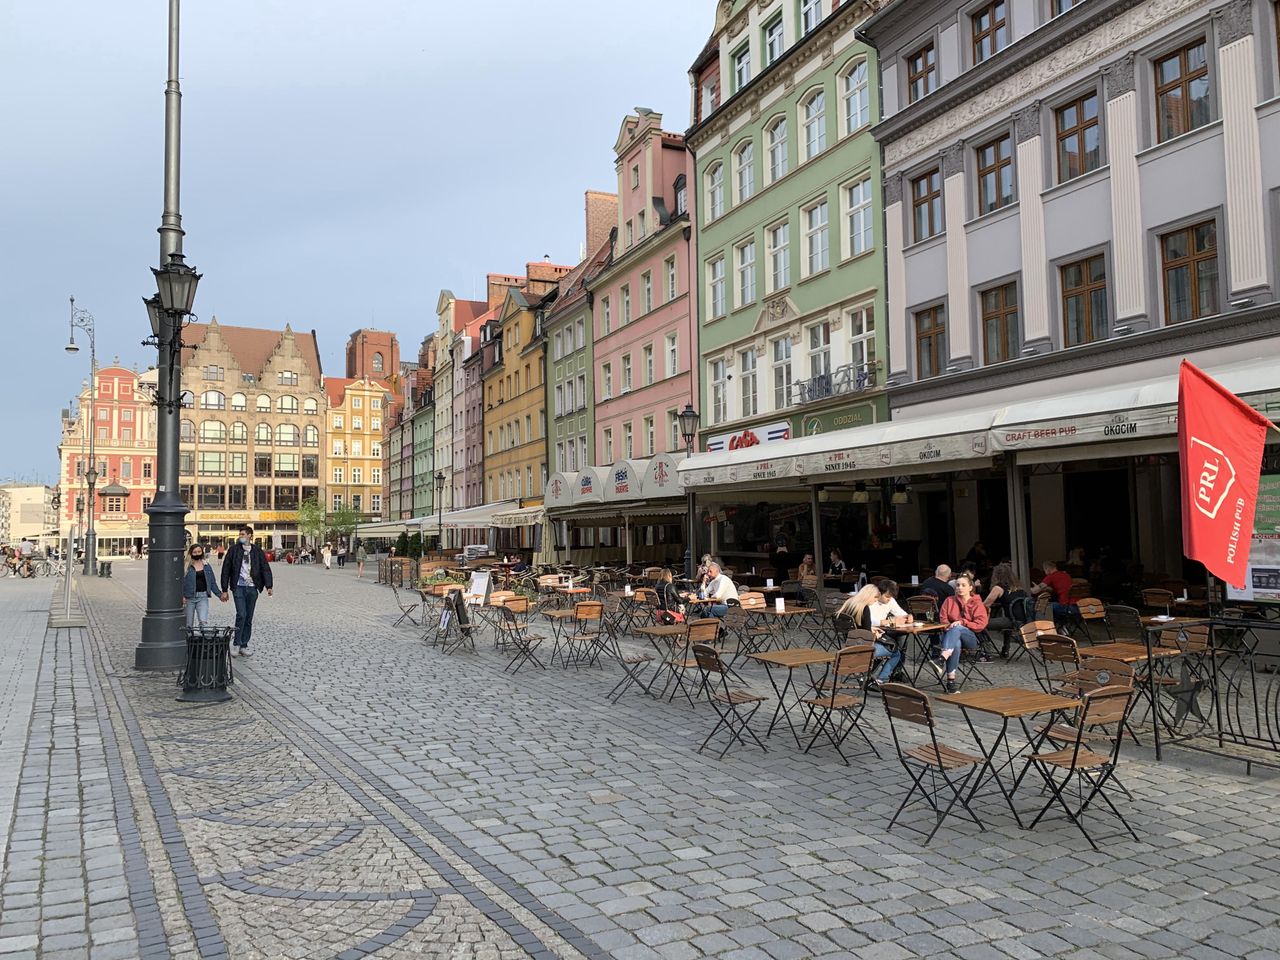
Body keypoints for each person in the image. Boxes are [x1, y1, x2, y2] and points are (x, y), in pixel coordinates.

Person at [837, 580, 908, 683]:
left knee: (888, 645)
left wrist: (871, 629)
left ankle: (865, 676)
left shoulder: (849, 604)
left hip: (848, 646)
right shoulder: (865, 608)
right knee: (896, 652)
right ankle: (881, 679)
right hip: (863, 648)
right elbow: (868, 637)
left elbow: (858, 626)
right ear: (869, 596)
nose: (876, 600)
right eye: (875, 597)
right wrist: (876, 634)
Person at [219, 525, 273, 657]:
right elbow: (226, 569)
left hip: (252, 587)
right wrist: (224, 589)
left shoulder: (257, 551)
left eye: (243, 534)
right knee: (241, 614)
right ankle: (236, 643)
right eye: (240, 534)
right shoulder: (233, 550)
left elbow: (265, 568)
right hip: (238, 586)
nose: (240, 536)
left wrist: (269, 586)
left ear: (249, 535)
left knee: (248, 617)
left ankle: (244, 644)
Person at [937, 574, 989, 692]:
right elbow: (943, 620)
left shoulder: (977, 603)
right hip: (951, 638)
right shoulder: (949, 600)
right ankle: (951, 682)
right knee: (956, 643)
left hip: (970, 638)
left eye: (963, 585)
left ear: (970, 587)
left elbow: (980, 625)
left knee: (958, 628)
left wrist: (962, 622)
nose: (960, 588)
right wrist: (951, 627)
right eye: (958, 585)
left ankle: (942, 658)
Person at [983, 562, 1022, 658]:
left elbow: (985, 605)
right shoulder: (1018, 587)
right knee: (1005, 619)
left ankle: (986, 652)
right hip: (1022, 621)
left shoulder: (998, 588)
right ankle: (1005, 649)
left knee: (981, 625)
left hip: (1011, 621)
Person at [182, 544, 225, 632]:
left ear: (202, 552)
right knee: (188, 625)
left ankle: (203, 643)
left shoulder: (206, 565)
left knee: (203, 622)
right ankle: (188, 644)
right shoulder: (186, 566)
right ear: (191, 553)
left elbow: (212, 582)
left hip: (203, 597)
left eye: (199, 552)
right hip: (188, 598)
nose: (197, 554)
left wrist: (220, 595)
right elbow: (180, 583)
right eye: (194, 552)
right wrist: (181, 596)